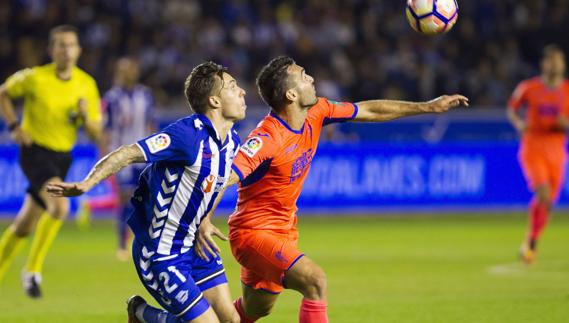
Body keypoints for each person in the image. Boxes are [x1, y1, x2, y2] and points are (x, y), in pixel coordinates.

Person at [197, 56, 469, 322]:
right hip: (252, 234)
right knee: (315, 281)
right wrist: (205, 219)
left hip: (284, 231)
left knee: (251, 312)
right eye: (304, 76)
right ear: (291, 94)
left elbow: (369, 110)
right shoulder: (266, 138)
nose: (312, 79)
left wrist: (428, 107)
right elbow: (225, 175)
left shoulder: (318, 111)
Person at [47, 61, 245, 323]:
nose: (242, 91)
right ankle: (142, 313)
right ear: (214, 102)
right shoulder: (186, 136)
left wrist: (205, 219)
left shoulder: (231, 142)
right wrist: (86, 184)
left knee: (231, 320)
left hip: (196, 246)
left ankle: (140, 316)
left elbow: (218, 182)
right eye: (232, 87)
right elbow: (127, 153)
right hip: (161, 253)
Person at [0, 25, 102, 298]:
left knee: (24, 225)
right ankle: (32, 270)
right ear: (51, 50)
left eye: (71, 45)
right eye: (61, 45)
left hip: (62, 157)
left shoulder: (86, 84)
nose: (66, 50)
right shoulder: (35, 78)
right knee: (59, 207)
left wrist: (85, 117)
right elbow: (3, 93)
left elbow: (95, 132)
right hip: (35, 152)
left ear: (78, 50)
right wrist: (13, 126)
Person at [80, 57, 155, 261]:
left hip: (144, 154)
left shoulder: (145, 95)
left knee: (147, 199)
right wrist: (106, 157)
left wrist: (157, 153)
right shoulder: (112, 98)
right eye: (123, 70)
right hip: (121, 155)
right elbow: (106, 130)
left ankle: (143, 241)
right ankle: (122, 244)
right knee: (125, 198)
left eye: (130, 69)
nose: (127, 73)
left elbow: (151, 125)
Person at [507, 44, 569, 265]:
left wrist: (566, 124)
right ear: (544, 64)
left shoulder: (568, 90)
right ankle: (531, 245)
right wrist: (519, 123)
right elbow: (512, 108)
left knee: (548, 203)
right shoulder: (528, 88)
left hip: (557, 150)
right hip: (533, 147)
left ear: (562, 64)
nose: (554, 64)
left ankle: (531, 239)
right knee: (543, 194)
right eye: (550, 60)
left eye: (558, 60)